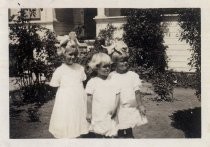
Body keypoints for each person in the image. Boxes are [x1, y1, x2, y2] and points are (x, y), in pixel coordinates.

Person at [48, 44, 89, 138]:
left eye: (75, 54)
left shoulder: (80, 68)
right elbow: (54, 86)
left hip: (78, 98)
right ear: (64, 54)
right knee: (66, 119)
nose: (73, 57)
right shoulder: (60, 70)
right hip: (65, 99)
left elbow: (82, 81)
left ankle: (78, 135)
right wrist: (64, 96)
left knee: (78, 118)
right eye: (70, 54)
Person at [109, 48, 148, 138]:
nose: (125, 63)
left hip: (130, 107)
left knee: (129, 129)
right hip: (118, 107)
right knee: (119, 130)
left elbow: (137, 92)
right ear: (115, 62)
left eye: (126, 60)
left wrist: (140, 105)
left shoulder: (132, 75)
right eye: (122, 61)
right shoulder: (112, 76)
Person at [85, 52, 120, 138]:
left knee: (112, 132)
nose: (108, 68)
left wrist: (115, 108)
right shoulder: (92, 82)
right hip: (98, 112)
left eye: (109, 66)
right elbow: (89, 98)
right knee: (99, 132)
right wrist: (89, 112)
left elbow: (117, 94)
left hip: (111, 112)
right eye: (104, 66)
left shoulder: (113, 79)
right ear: (96, 68)